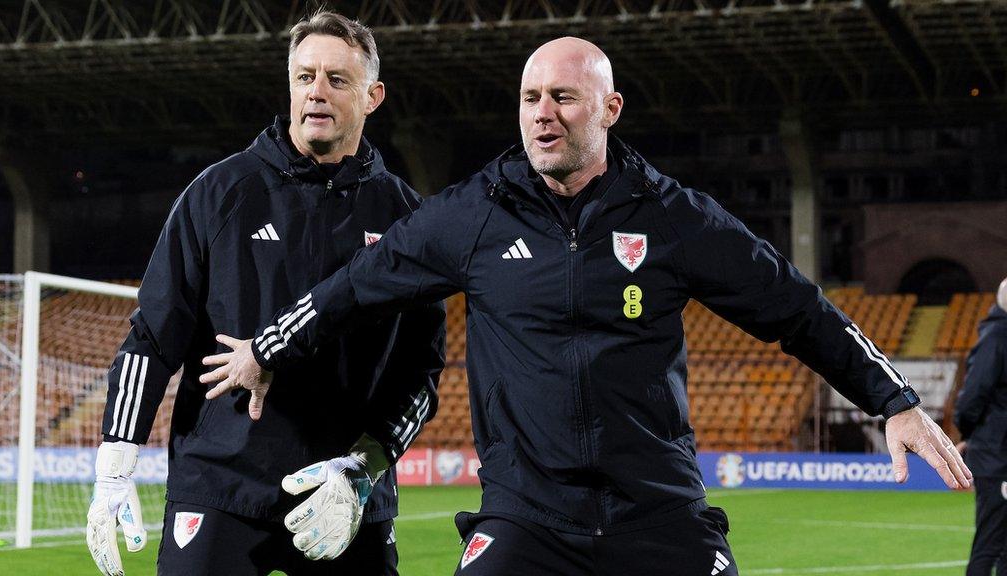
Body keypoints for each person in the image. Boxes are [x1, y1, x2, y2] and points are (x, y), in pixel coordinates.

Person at [201, 37, 971, 575]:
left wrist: (893, 400)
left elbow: (795, 305)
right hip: (526, 520)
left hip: (660, 511)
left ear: (609, 108)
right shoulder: (472, 214)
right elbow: (355, 287)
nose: (543, 113)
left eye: (564, 98)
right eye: (531, 98)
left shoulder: (672, 218)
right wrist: (266, 349)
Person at [85, 10, 445, 576]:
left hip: (343, 495)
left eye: (337, 79)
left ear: (374, 96)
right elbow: (154, 336)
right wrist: (115, 461)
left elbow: (421, 373)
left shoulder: (405, 217)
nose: (317, 93)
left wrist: (362, 469)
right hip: (220, 483)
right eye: (305, 77)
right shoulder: (220, 192)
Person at [955, 277, 1007, 576]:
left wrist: (969, 434)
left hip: (995, 453)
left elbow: (973, 396)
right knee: (990, 546)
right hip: (997, 457)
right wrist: (970, 436)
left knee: (994, 546)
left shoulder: (995, 337)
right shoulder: (998, 336)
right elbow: (972, 397)